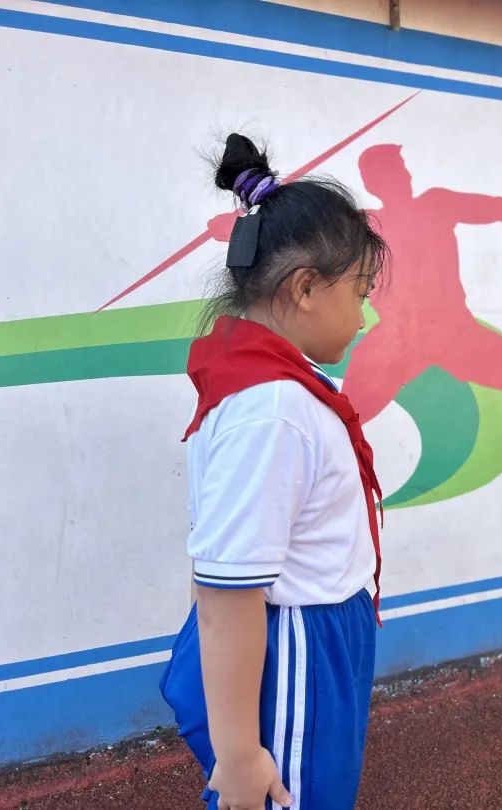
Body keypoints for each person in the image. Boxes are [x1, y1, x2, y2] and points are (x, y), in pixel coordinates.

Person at [159, 132, 390, 810]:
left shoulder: (277, 388)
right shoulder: (274, 409)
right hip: (295, 644)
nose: (365, 313)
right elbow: (228, 591)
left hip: (316, 631)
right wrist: (238, 752)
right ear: (307, 288)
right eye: (361, 290)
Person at [341, 143, 502, 465]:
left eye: (403, 168)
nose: (405, 175)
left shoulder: (436, 204)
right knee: (347, 413)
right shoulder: (364, 223)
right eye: (395, 170)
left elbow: (500, 208)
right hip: (398, 336)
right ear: (373, 183)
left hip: (454, 332)